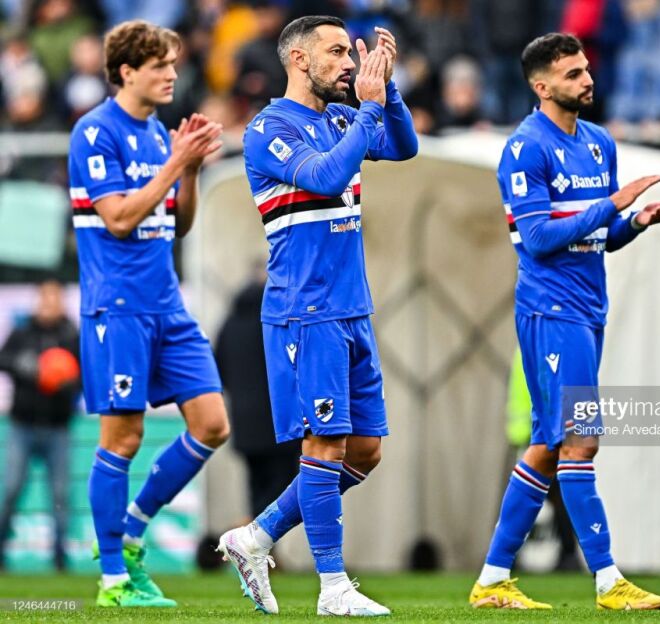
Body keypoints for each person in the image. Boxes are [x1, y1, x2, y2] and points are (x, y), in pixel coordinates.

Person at [469, 33, 660, 611]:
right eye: (572, 74)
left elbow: (599, 235)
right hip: (551, 309)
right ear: (541, 87)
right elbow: (538, 238)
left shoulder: (598, 143)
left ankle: (492, 579)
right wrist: (612, 204)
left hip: (588, 307)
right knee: (581, 440)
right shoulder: (525, 148)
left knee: (546, 444)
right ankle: (608, 581)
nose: (587, 80)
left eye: (586, 69)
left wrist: (635, 222)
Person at [218, 15, 417, 617]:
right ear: (299, 60)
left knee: (365, 451)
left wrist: (389, 90)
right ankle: (333, 586)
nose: (348, 63)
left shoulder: (340, 118)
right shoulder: (269, 129)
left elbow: (403, 146)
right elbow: (328, 177)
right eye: (336, 53)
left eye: (352, 54)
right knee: (325, 443)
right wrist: (369, 106)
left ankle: (256, 536)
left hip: (352, 306)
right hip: (305, 310)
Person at [67, 20, 229, 607]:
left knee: (212, 423)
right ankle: (113, 579)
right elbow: (117, 218)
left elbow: (177, 223)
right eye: (160, 65)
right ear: (127, 71)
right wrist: (173, 163)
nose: (172, 75)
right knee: (123, 437)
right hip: (118, 306)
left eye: (173, 65)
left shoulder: (160, 134)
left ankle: (131, 531)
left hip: (166, 303)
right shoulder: (94, 131)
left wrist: (189, 169)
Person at [0, 279, 80, 571]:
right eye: (45, 299)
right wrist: (24, 365)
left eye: (54, 299)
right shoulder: (23, 332)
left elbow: (86, 373)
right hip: (23, 425)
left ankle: (59, 557)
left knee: (60, 496)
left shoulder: (71, 335)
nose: (49, 305)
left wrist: (71, 382)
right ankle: (0, 551)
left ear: (61, 303)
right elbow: (4, 359)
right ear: (38, 302)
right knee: (11, 490)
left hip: (58, 427)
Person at [215, 266, 301, 518]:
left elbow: (219, 369)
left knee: (257, 488)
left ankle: (252, 534)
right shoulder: (278, 322)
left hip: (244, 424)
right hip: (279, 424)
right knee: (283, 488)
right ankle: (250, 531)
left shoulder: (229, 324)